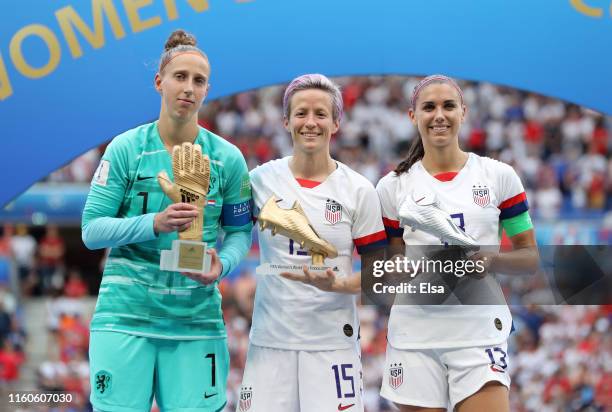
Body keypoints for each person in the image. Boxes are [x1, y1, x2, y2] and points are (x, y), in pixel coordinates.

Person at [81, 29, 253, 411]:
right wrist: (153, 222)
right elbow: (92, 231)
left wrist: (222, 265)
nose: (188, 88)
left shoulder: (228, 158)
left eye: (198, 81)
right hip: (124, 317)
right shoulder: (126, 149)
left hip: (196, 323)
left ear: (207, 89)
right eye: (180, 77)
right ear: (159, 82)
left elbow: (241, 232)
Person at [375, 75, 539, 411]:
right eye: (429, 107)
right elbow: (388, 268)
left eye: (448, 106)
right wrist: (400, 270)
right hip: (415, 335)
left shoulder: (498, 176)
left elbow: (530, 257)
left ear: (463, 112)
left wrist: (494, 261)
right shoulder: (391, 188)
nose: (439, 115)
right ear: (412, 116)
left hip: (478, 333)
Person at [238, 74, 386, 411]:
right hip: (270, 344)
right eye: (301, 113)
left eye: (321, 114)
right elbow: (229, 234)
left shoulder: (358, 190)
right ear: (286, 120)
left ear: (336, 123)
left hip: (332, 346)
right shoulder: (260, 180)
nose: (310, 122)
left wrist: (341, 284)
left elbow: (383, 276)